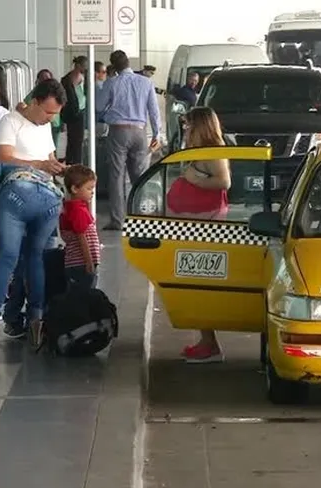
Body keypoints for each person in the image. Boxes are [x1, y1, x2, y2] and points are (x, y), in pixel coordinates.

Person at [0, 79, 67, 347]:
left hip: (22, 196)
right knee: (33, 258)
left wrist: (56, 167)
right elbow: (4, 158)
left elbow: (49, 158)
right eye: (48, 112)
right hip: (35, 196)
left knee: (11, 257)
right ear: (34, 102)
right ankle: (34, 319)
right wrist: (40, 165)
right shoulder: (10, 122)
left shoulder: (44, 126)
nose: (51, 118)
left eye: (55, 114)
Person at [167, 107, 231, 363]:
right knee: (193, 285)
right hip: (193, 223)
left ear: (200, 126)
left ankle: (209, 343)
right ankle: (206, 340)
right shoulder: (201, 150)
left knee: (198, 285)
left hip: (204, 225)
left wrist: (193, 180)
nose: (185, 129)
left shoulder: (213, 151)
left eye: (188, 125)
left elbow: (224, 182)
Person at [95, 50, 161, 230]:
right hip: (140, 132)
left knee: (116, 176)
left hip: (118, 132)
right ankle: (142, 218)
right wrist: (157, 134)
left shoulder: (111, 82)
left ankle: (118, 220)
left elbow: (99, 106)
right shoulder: (146, 82)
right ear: (128, 63)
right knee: (139, 177)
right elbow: (154, 111)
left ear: (114, 66)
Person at [60, 165, 100, 289]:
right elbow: (82, 237)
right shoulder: (77, 210)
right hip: (81, 264)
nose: (92, 192)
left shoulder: (75, 208)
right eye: (89, 188)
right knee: (85, 294)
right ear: (74, 189)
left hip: (76, 263)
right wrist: (89, 261)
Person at [61, 56, 88, 164]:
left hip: (75, 111)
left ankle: (71, 162)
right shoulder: (75, 77)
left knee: (73, 139)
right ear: (79, 65)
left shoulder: (68, 77)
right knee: (76, 140)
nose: (86, 68)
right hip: (76, 111)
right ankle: (75, 163)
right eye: (85, 66)